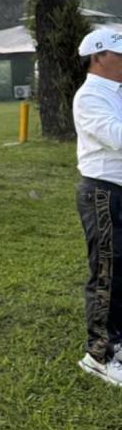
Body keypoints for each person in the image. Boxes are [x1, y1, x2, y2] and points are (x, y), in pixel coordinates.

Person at [73, 27, 122, 387]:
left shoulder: (117, 93)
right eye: (119, 55)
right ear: (98, 57)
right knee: (107, 272)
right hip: (102, 193)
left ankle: (117, 342)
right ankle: (98, 356)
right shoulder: (89, 95)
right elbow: (116, 136)